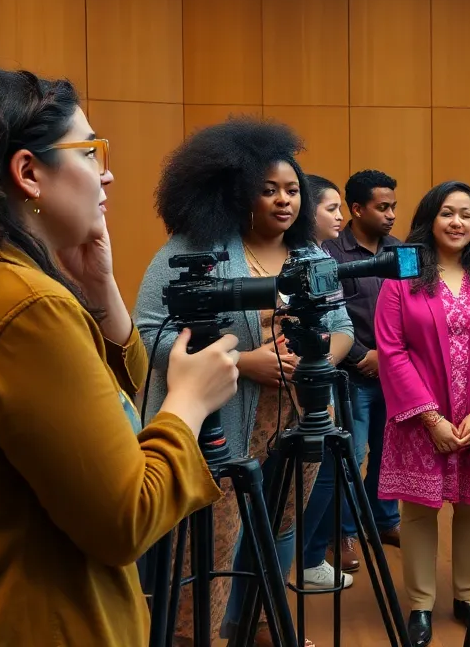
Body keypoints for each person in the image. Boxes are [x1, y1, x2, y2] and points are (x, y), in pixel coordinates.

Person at [0, 65, 239, 646]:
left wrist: (103, 295)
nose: (108, 173)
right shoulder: (25, 308)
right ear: (28, 173)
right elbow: (125, 518)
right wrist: (190, 403)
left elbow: (110, 418)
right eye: (90, 151)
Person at [135, 119, 354, 646]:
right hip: (224, 424)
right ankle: (194, 636)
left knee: (277, 531)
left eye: (293, 190)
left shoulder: (310, 255)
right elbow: (147, 330)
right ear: (236, 192)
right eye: (269, 190)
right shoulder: (196, 247)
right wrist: (243, 362)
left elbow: (342, 328)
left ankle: (259, 624)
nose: (284, 201)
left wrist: (315, 361)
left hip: (300, 421)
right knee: (211, 540)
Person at [374, 181, 470, 647]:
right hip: (421, 418)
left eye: (467, 214)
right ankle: (420, 605)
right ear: (429, 220)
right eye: (447, 214)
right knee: (417, 511)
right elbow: (391, 349)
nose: (458, 222)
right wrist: (430, 418)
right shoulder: (404, 274)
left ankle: (468, 598)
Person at [323, 169, 404, 562]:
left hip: (395, 374)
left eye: (394, 207)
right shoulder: (330, 254)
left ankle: (384, 520)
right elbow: (326, 317)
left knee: (391, 453)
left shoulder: (402, 251)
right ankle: (343, 533)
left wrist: (388, 357)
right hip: (351, 376)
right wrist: (360, 355)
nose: (391, 215)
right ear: (356, 209)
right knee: (351, 456)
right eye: (382, 207)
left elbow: (413, 311)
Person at [298, 174, 362, 582]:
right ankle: (302, 561)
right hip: (291, 387)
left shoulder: (321, 256)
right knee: (311, 477)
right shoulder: (298, 258)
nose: (339, 217)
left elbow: (341, 325)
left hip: (324, 382)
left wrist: (321, 362)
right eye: (331, 208)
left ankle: (308, 558)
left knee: (328, 473)